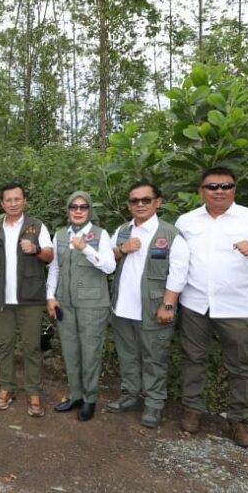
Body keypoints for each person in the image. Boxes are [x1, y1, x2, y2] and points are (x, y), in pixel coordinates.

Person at [176, 166, 248, 449]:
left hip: (236, 305)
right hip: (194, 302)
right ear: (202, 191)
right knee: (193, 358)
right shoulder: (186, 221)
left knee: (240, 365)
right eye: (213, 187)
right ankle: (192, 409)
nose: (220, 191)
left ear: (235, 189)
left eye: (226, 186)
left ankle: (240, 419)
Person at [107, 181, 189, 428]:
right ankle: (130, 395)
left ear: (157, 202)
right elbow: (107, 261)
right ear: (128, 205)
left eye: (146, 200)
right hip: (122, 308)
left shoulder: (170, 234)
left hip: (154, 309)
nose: (140, 205)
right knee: (128, 355)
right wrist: (122, 249)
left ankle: (154, 404)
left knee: (154, 358)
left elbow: (179, 272)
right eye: (134, 201)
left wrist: (168, 304)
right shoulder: (122, 230)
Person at [0, 183, 54, 416]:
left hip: (30, 297)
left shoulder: (36, 226)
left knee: (32, 346)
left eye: (17, 199)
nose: (13, 203)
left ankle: (34, 392)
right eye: (8, 200)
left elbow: (50, 256)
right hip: (2, 297)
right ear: (2, 204)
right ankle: (6, 387)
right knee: (4, 345)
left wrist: (36, 249)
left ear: (24, 201)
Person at [46, 191, 116, 422]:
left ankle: (89, 399)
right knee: (70, 351)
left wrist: (86, 248)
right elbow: (54, 268)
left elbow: (109, 267)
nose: (78, 211)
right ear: (68, 210)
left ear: (89, 210)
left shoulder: (99, 234)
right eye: (73, 207)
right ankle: (75, 395)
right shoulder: (60, 235)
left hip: (92, 305)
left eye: (83, 207)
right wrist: (50, 296)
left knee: (90, 352)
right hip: (65, 302)